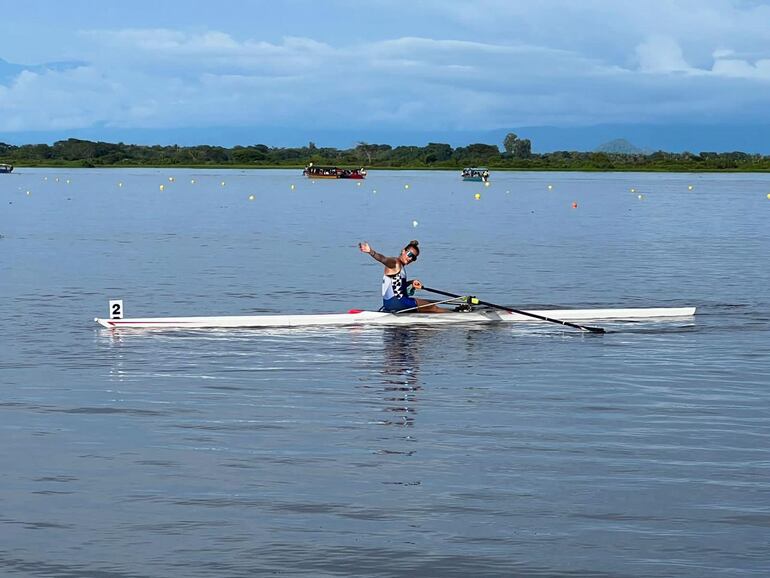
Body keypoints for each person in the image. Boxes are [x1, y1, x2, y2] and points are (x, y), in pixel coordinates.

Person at [358, 240, 449, 313]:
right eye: (409, 254)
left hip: (389, 304)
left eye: (413, 258)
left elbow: (397, 287)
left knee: (424, 306)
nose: (410, 259)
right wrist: (371, 252)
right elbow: (383, 259)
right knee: (432, 307)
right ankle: (455, 316)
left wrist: (411, 282)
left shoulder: (400, 267)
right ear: (403, 251)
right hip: (399, 302)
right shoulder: (395, 262)